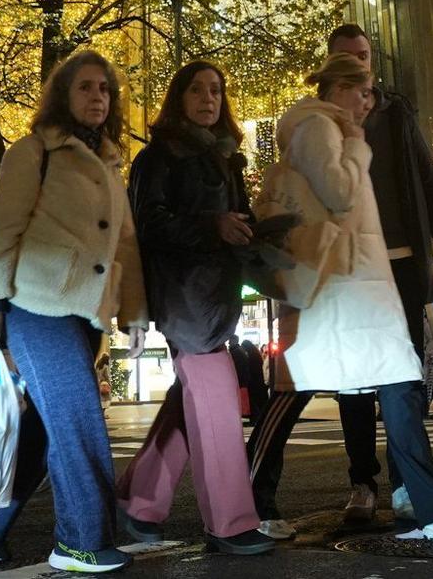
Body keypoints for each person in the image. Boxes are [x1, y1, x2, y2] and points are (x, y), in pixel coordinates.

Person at [249, 51, 433, 541]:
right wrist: (359, 147)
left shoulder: (328, 127)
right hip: (344, 290)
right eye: (363, 90)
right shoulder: (318, 127)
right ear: (338, 87)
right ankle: (247, 500)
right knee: (305, 388)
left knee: (399, 385)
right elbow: (339, 193)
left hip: (357, 289)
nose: (369, 101)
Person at [0, 49, 148, 574]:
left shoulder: (111, 162)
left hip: (86, 314)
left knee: (49, 429)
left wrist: (132, 313)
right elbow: (3, 231)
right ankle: (80, 543)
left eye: (104, 90)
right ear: (63, 95)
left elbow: (127, 246)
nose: (97, 97)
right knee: (79, 422)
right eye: (85, 87)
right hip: (35, 305)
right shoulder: (34, 151)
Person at [114, 60, 274, 555]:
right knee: (218, 401)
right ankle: (229, 523)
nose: (209, 99)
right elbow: (149, 226)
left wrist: (258, 232)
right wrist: (214, 226)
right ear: (178, 98)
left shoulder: (223, 158)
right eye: (198, 90)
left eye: (217, 91)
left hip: (214, 293)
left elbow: (233, 221)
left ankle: (139, 501)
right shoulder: (158, 156)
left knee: (192, 404)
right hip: (183, 296)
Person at [323, 25, 433, 521]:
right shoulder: (319, 120)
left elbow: (426, 173)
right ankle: (363, 482)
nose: (360, 66)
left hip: (403, 260)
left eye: (364, 56)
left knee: (405, 376)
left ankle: (407, 484)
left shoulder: (396, 111)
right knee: (355, 381)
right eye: (347, 59)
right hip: (351, 270)